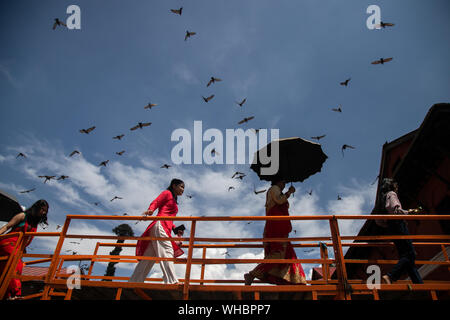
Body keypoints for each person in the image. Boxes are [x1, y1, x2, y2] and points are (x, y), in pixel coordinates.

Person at [244, 179, 306, 285]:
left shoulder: (277, 190)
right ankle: (252, 274)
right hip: (276, 225)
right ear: (278, 181)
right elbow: (279, 200)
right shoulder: (274, 189)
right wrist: (289, 192)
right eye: (283, 182)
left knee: (288, 254)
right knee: (278, 253)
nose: (284, 185)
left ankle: (291, 282)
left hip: (279, 226)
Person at [129, 179, 185, 284]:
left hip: (164, 227)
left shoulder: (173, 199)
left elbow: (169, 216)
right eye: (181, 186)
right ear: (174, 186)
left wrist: (174, 228)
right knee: (167, 251)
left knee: (149, 257)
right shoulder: (167, 193)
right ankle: (172, 281)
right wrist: (150, 210)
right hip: (160, 225)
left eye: (183, 188)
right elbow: (156, 201)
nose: (183, 189)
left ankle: (134, 282)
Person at [0, 199, 49, 299]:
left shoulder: (35, 225)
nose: (43, 213)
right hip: (8, 243)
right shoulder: (22, 216)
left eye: (45, 211)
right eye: (42, 210)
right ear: (37, 207)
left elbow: (26, 240)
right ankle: (15, 294)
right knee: (15, 265)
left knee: (16, 268)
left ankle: (7, 294)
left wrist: (24, 249)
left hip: (18, 249)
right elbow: (6, 227)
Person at [378, 178, 423, 285]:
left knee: (407, 257)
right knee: (410, 253)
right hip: (398, 224)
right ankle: (391, 276)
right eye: (395, 185)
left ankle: (419, 284)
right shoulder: (391, 194)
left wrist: (388, 223)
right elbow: (396, 210)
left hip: (391, 228)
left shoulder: (381, 200)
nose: (396, 187)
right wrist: (409, 212)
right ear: (391, 186)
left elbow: (378, 221)